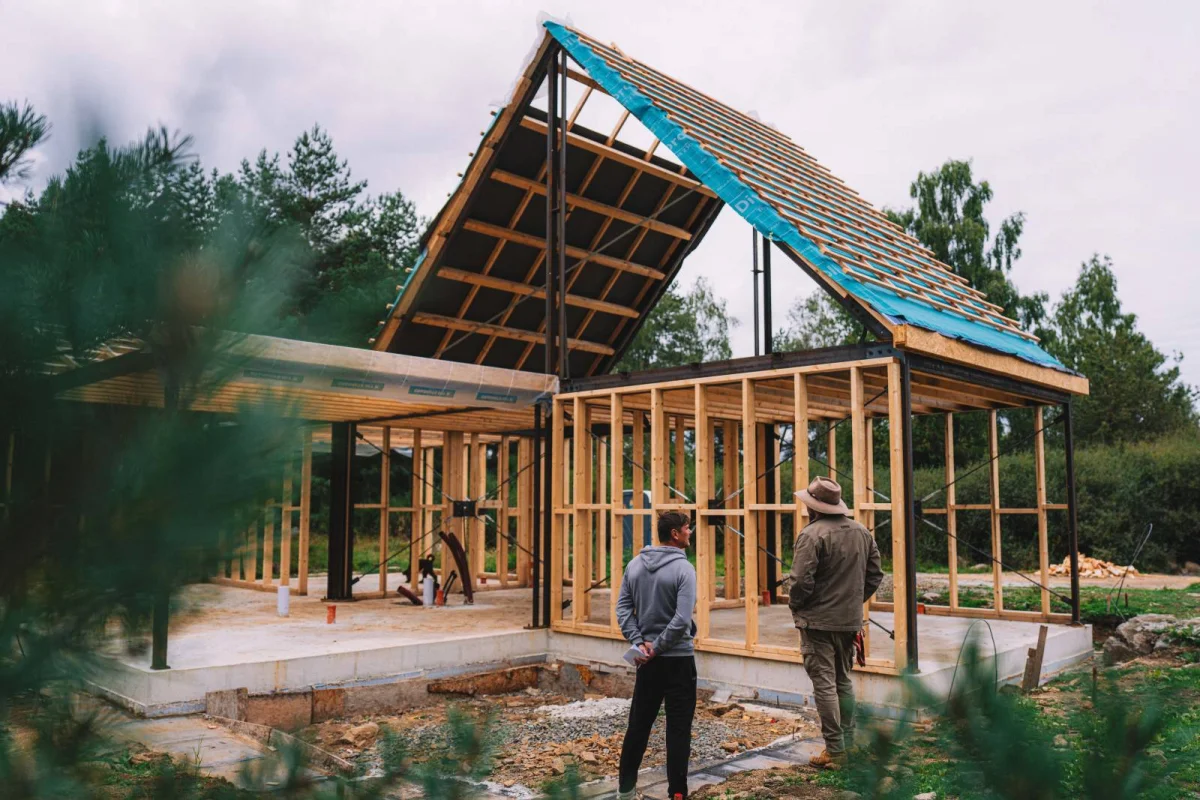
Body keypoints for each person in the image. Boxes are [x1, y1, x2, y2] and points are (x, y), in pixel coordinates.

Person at [789, 476, 884, 767]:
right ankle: (849, 744)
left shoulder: (811, 535)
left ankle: (836, 751)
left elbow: (800, 582)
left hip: (818, 624)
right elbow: (875, 575)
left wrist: (798, 605)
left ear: (813, 507)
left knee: (825, 685)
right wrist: (852, 602)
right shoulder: (861, 532)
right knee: (842, 681)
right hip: (849, 622)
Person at [615, 510, 697, 800]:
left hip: (646, 662)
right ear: (675, 534)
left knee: (638, 726)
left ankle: (625, 792)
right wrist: (658, 647)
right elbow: (682, 619)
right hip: (678, 661)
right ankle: (677, 794)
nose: (690, 532)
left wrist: (640, 644)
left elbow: (622, 609)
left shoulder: (635, 565)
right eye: (687, 528)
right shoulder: (684, 569)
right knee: (678, 729)